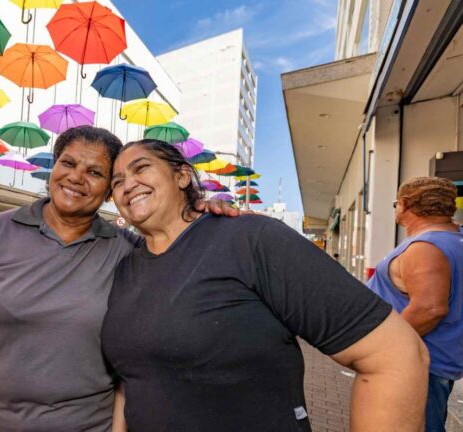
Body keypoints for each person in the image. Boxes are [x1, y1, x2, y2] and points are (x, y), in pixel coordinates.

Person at [0, 127, 237, 432]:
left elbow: (183, 255)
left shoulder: (129, 250)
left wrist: (204, 217)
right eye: (67, 163)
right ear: (53, 169)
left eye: (95, 173)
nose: (76, 177)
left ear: (111, 192)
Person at [101, 139, 430, 431]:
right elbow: (133, 378)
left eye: (141, 168)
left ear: (182, 176)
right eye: (117, 182)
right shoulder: (127, 266)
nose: (129, 184)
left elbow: (396, 354)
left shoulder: (251, 239)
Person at [367, 177, 463, 432]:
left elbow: (430, 309)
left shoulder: (426, 247)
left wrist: (380, 346)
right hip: (433, 362)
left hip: (416, 365)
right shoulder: (451, 239)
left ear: (405, 204)